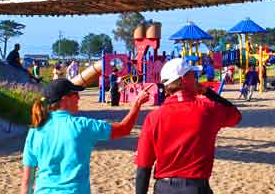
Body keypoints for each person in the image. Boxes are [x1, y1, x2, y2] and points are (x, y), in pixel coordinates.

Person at [21, 79, 149, 194]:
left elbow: (27, 180)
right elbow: (124, 129)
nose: (79, 98)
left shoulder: (35, 131)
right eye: (75, 94)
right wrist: (137, 104)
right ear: (65, 99)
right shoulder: (82, 126)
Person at [135, 58, 241, 194]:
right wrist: (207, 92)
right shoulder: (207, 110)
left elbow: (143, 166)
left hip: (164, 188)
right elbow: (235, 116)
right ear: (184, 79)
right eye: (193, 75)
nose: (196, 79)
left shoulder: (153, 117)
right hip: (196, 188)